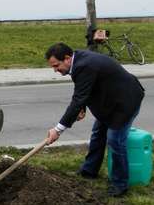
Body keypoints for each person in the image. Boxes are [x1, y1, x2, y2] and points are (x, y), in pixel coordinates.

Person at [44, 42, 145, 197]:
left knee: (115, 141)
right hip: (109, 101)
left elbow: (78, 98)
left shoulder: (84, 65)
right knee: (98, 134)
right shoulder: (78, 62)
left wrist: (58, 130)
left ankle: (120, 185)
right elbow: (84, 88)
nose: (55, 70)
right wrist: (82, 108)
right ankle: (89, 171)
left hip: (125, 102)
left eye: (56, 66)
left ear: (67, 58)